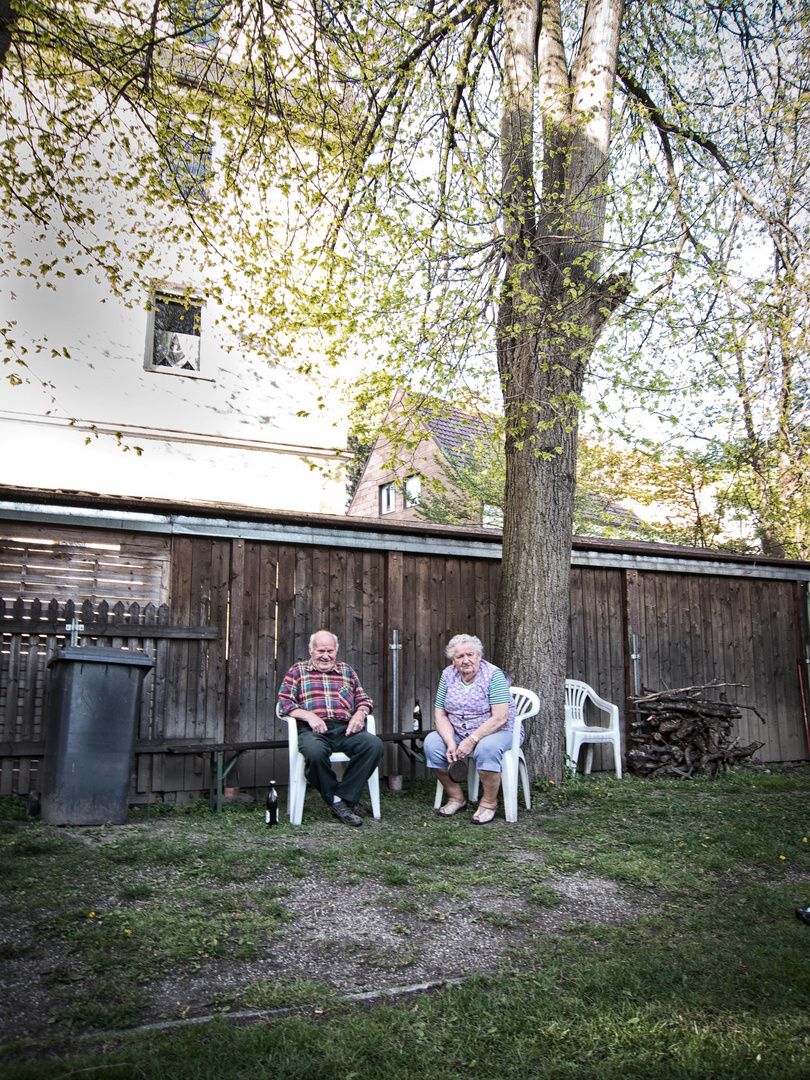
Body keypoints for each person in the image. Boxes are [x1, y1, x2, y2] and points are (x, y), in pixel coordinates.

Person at [278, 630, 383, 827]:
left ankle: (343, 798)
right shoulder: (298, 670)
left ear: (336, 651)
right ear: (311, 651)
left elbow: (364, 699)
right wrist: (308, 715)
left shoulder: (347, 671)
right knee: (315, 753)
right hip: (313, 730)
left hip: (345, 729)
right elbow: (284, 703)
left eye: (330, 650)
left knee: (373, 745)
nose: (325, 655)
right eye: (320, 651)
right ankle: (339, 801)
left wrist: (360, 713)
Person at [424, 633, 519, 824]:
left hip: (498, 731)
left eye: (470, 655)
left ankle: (489, 803)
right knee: (432, 744)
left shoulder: (494, 675)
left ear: (479, 656)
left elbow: (501, 717)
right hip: (460, 731)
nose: (466, 660)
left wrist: (472, 740)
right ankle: (456, 798)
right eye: (460, 657)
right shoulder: (448, 675)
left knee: (487, 748)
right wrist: (451, 742)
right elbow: (440, 713)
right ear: (453, 660)